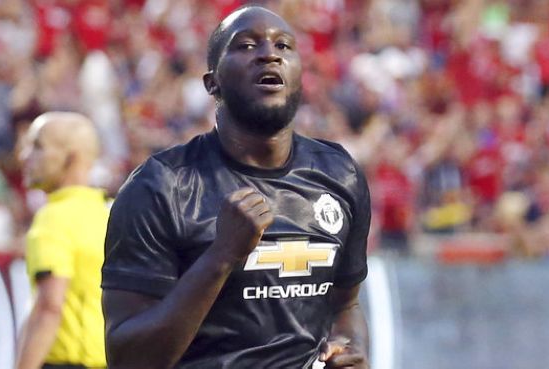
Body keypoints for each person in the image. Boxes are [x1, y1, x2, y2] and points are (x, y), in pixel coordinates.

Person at [102, 5, 370, 369]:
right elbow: (128, 359)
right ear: (212, 84)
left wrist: (347, 346)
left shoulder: (340, 174)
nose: (269, 54)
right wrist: (221, 256)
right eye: (245, 45)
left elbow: (345, 304)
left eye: (284, 46)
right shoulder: (159, 187)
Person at [16, 112, 107, 369]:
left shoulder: (53, 218)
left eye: (37, 147)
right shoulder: (110, 212)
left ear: (71, 157)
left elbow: (49, 307)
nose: (24, 156)